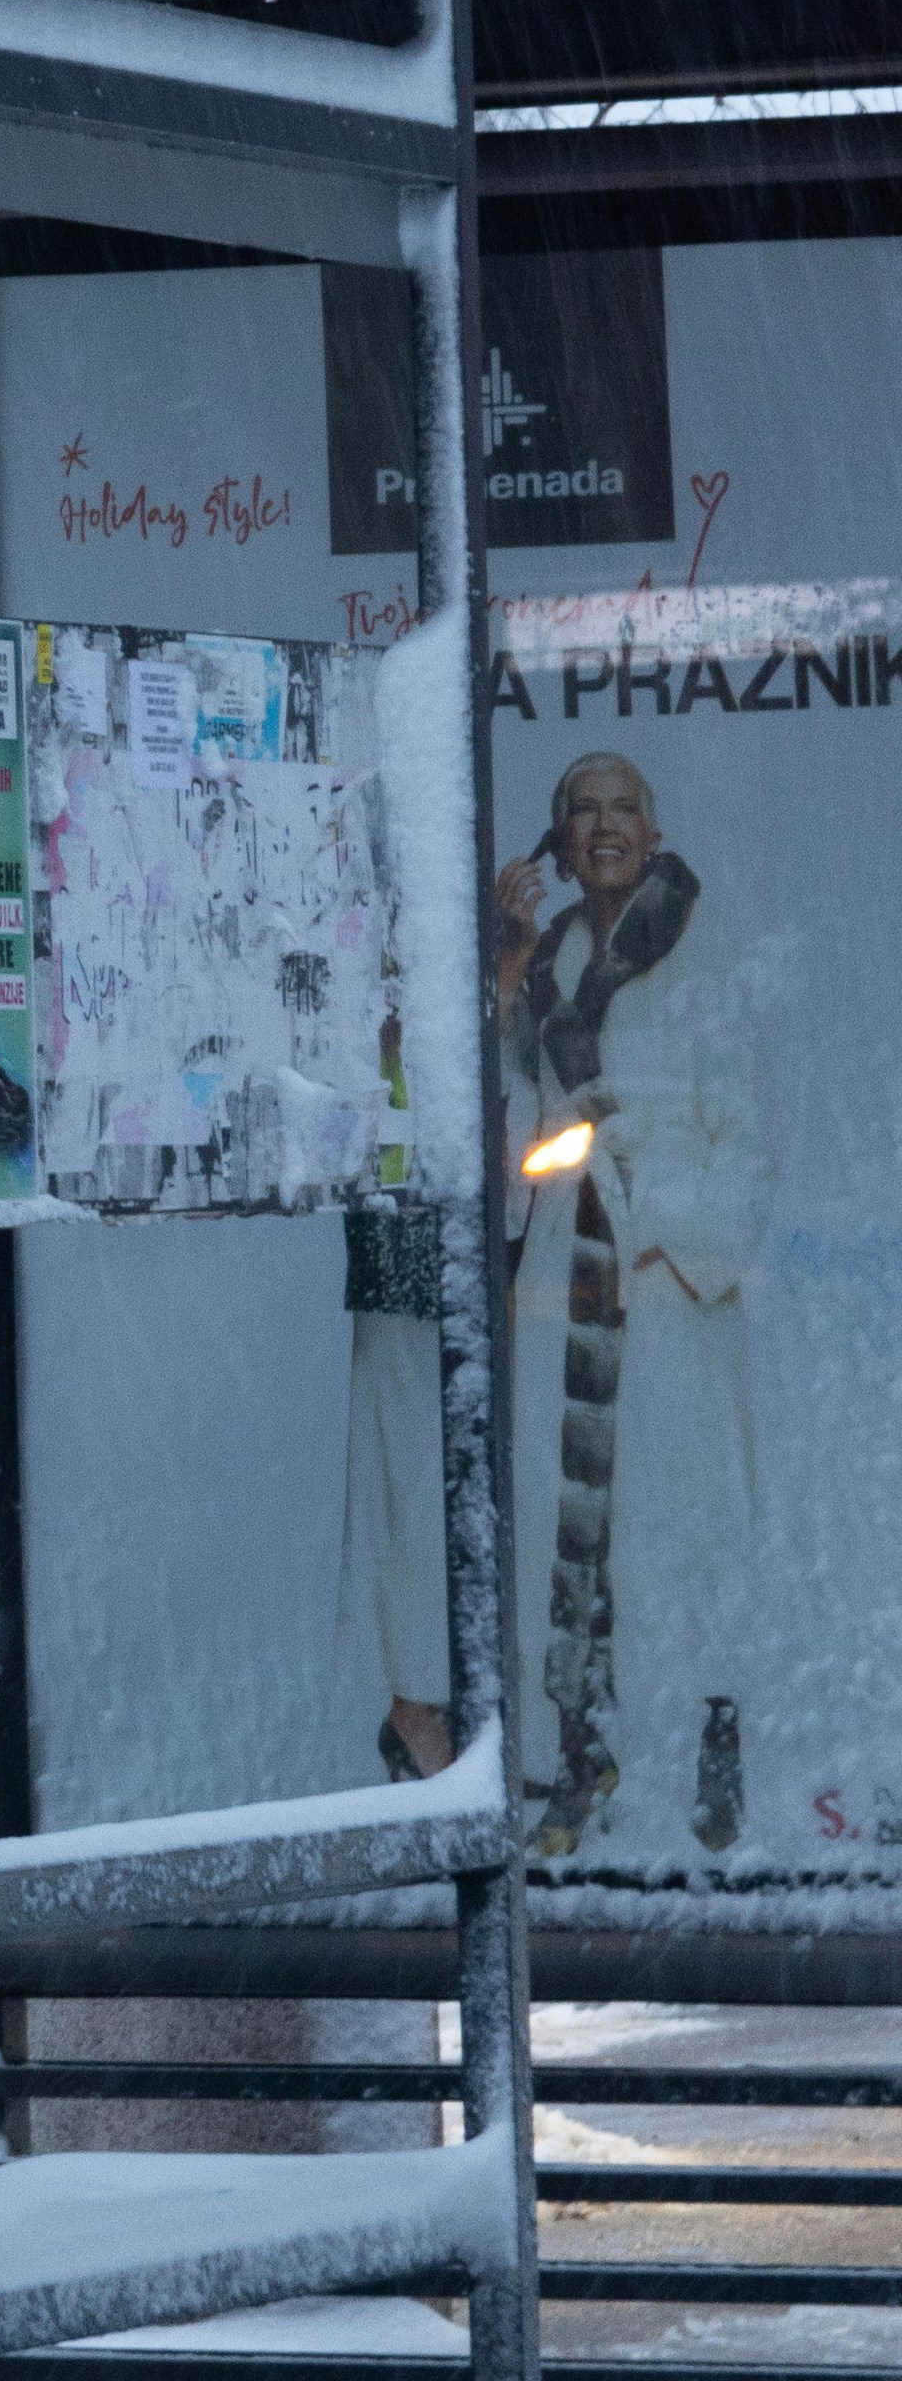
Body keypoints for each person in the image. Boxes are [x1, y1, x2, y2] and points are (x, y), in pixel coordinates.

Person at [494, 750, 772, 1865]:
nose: (600, 828)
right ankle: (577, 1754)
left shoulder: (705, 962)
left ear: (651, 836)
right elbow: (513, 1128)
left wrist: (664, 1226)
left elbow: (747, 1135)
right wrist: (506, 981)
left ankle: (712, 1749)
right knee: (562, 1539)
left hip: (658, 1287)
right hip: (565, 1279)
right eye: (579, 811)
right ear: (555, 842)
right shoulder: (545, 959)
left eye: (621, 810)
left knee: (683, 1525)